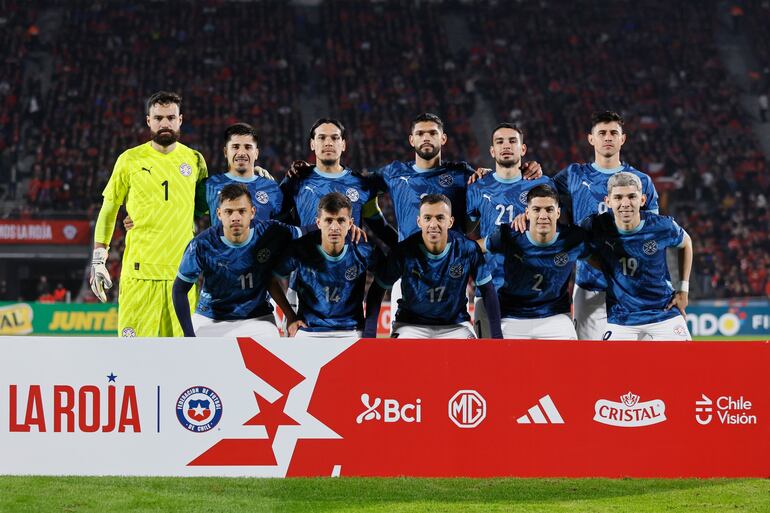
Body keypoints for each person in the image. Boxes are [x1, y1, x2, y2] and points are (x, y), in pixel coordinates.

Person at [90, 91, 208, 337]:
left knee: (184, 362)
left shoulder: (195, 160)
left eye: (170, 117)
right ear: (148, 121)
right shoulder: (129, 160)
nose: (165, 123)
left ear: (180, 120)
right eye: (158, 118)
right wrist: (99, 259)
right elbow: (109, 210)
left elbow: (204, 207)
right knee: (133, 362)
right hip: (139, 275)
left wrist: (249, 174)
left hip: (181, 277)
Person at [552, 111, 659, 340]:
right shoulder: (572, 176)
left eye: (613, 133)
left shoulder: (641, 182)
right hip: (590, 285)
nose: (608, 137)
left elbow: (652, 234)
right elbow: (536, 193)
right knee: (590, 366)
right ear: (591, 139)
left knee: (635, 367)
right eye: (602, 133)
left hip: (633, 288)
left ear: (623, 138)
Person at [363, 194, 502, 339]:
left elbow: (488, 290)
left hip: (456, 326)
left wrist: (497, 337)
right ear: (419, 221)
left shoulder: (467, 249)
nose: (433, 224)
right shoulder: (404, 251)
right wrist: (369, 334)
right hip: (410, 325)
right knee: (399, 360)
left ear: (450, 221)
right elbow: (378, 288)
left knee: (471, 360)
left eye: (440, 218)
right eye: (427, 218)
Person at [172, 183, 301, 337]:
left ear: (252, 212)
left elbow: (309, 232)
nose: (235, 217)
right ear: (219, 214)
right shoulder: (202, 244)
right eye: (229, 212)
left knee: (271, 342)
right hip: (211, 318)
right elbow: (179, 289)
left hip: (257, 318)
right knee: (195, 357)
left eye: (242, 211)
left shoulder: (269, 232)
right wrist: (188, 335)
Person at [466, 123, 555, 337]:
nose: (506, 146)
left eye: (512, 141)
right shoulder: (477, 186)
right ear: (492, 151)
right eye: (500, 142)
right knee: (489, 364)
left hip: (534, 292)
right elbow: (464, 234)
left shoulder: (542, 185)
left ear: (523, 149)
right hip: (489, 287)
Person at [583, 172, 692, 341]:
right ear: (608, 201)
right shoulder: (596, 226)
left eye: (631, 197)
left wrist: (683, 289)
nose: (625, 203)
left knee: (684, 366)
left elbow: (686, 243)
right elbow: (576, 246)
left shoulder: (662, 226)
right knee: (607, 367)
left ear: (642, 200)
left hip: (663, 313)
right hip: (621, 317)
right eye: (618, 197)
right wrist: (607, 265)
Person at [478, 185, 588, 339]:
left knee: (569, 361)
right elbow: (474, 248)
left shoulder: (574, 238)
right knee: (504, 362)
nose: (543, 215)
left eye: (549, 209)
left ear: (558, 212)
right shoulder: (509, 235)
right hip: (512, 317)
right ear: (527, 213)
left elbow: (600, 257)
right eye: (536, 209)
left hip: (555, 317)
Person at [270, 192, 382, 339]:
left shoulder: (364, 250)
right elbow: (270, 278)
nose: (334, 227)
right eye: (328, 220)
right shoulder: (300, 248)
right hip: (308, 330)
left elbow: (384, 281)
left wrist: (370, 327)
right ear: (318, 223)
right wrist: (290, 316)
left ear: (350, 223)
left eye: (341, 220)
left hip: (353, 331)